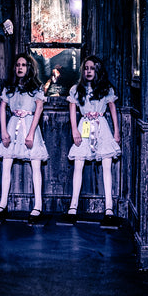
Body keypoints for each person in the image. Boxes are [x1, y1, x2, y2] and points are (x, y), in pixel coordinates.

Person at [65, 55, 121, 219]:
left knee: (106, 166)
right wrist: (75, 130)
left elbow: (112, 109)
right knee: (78, 164)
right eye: (86, 68)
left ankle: (108, 207)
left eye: (92, 68)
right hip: (85, 127)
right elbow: (72, 110)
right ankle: (73, 206)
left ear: (98, 71)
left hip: (101, 126)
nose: (89, 71)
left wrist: (116, 131)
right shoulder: (76, 89)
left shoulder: (106, 89)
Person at [0, 53, 48, 220]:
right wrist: (3, 131)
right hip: (13, 125)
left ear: (29, 68)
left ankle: (38, 206)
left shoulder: (36, 88)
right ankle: (2, 204)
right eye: (18, 65)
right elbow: (3, 107)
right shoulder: (9, 87)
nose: (20, 68)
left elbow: (38, 109)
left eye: (23, 65)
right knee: (6, 164)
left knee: (35, 166)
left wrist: (31, 133)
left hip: (29, 125)